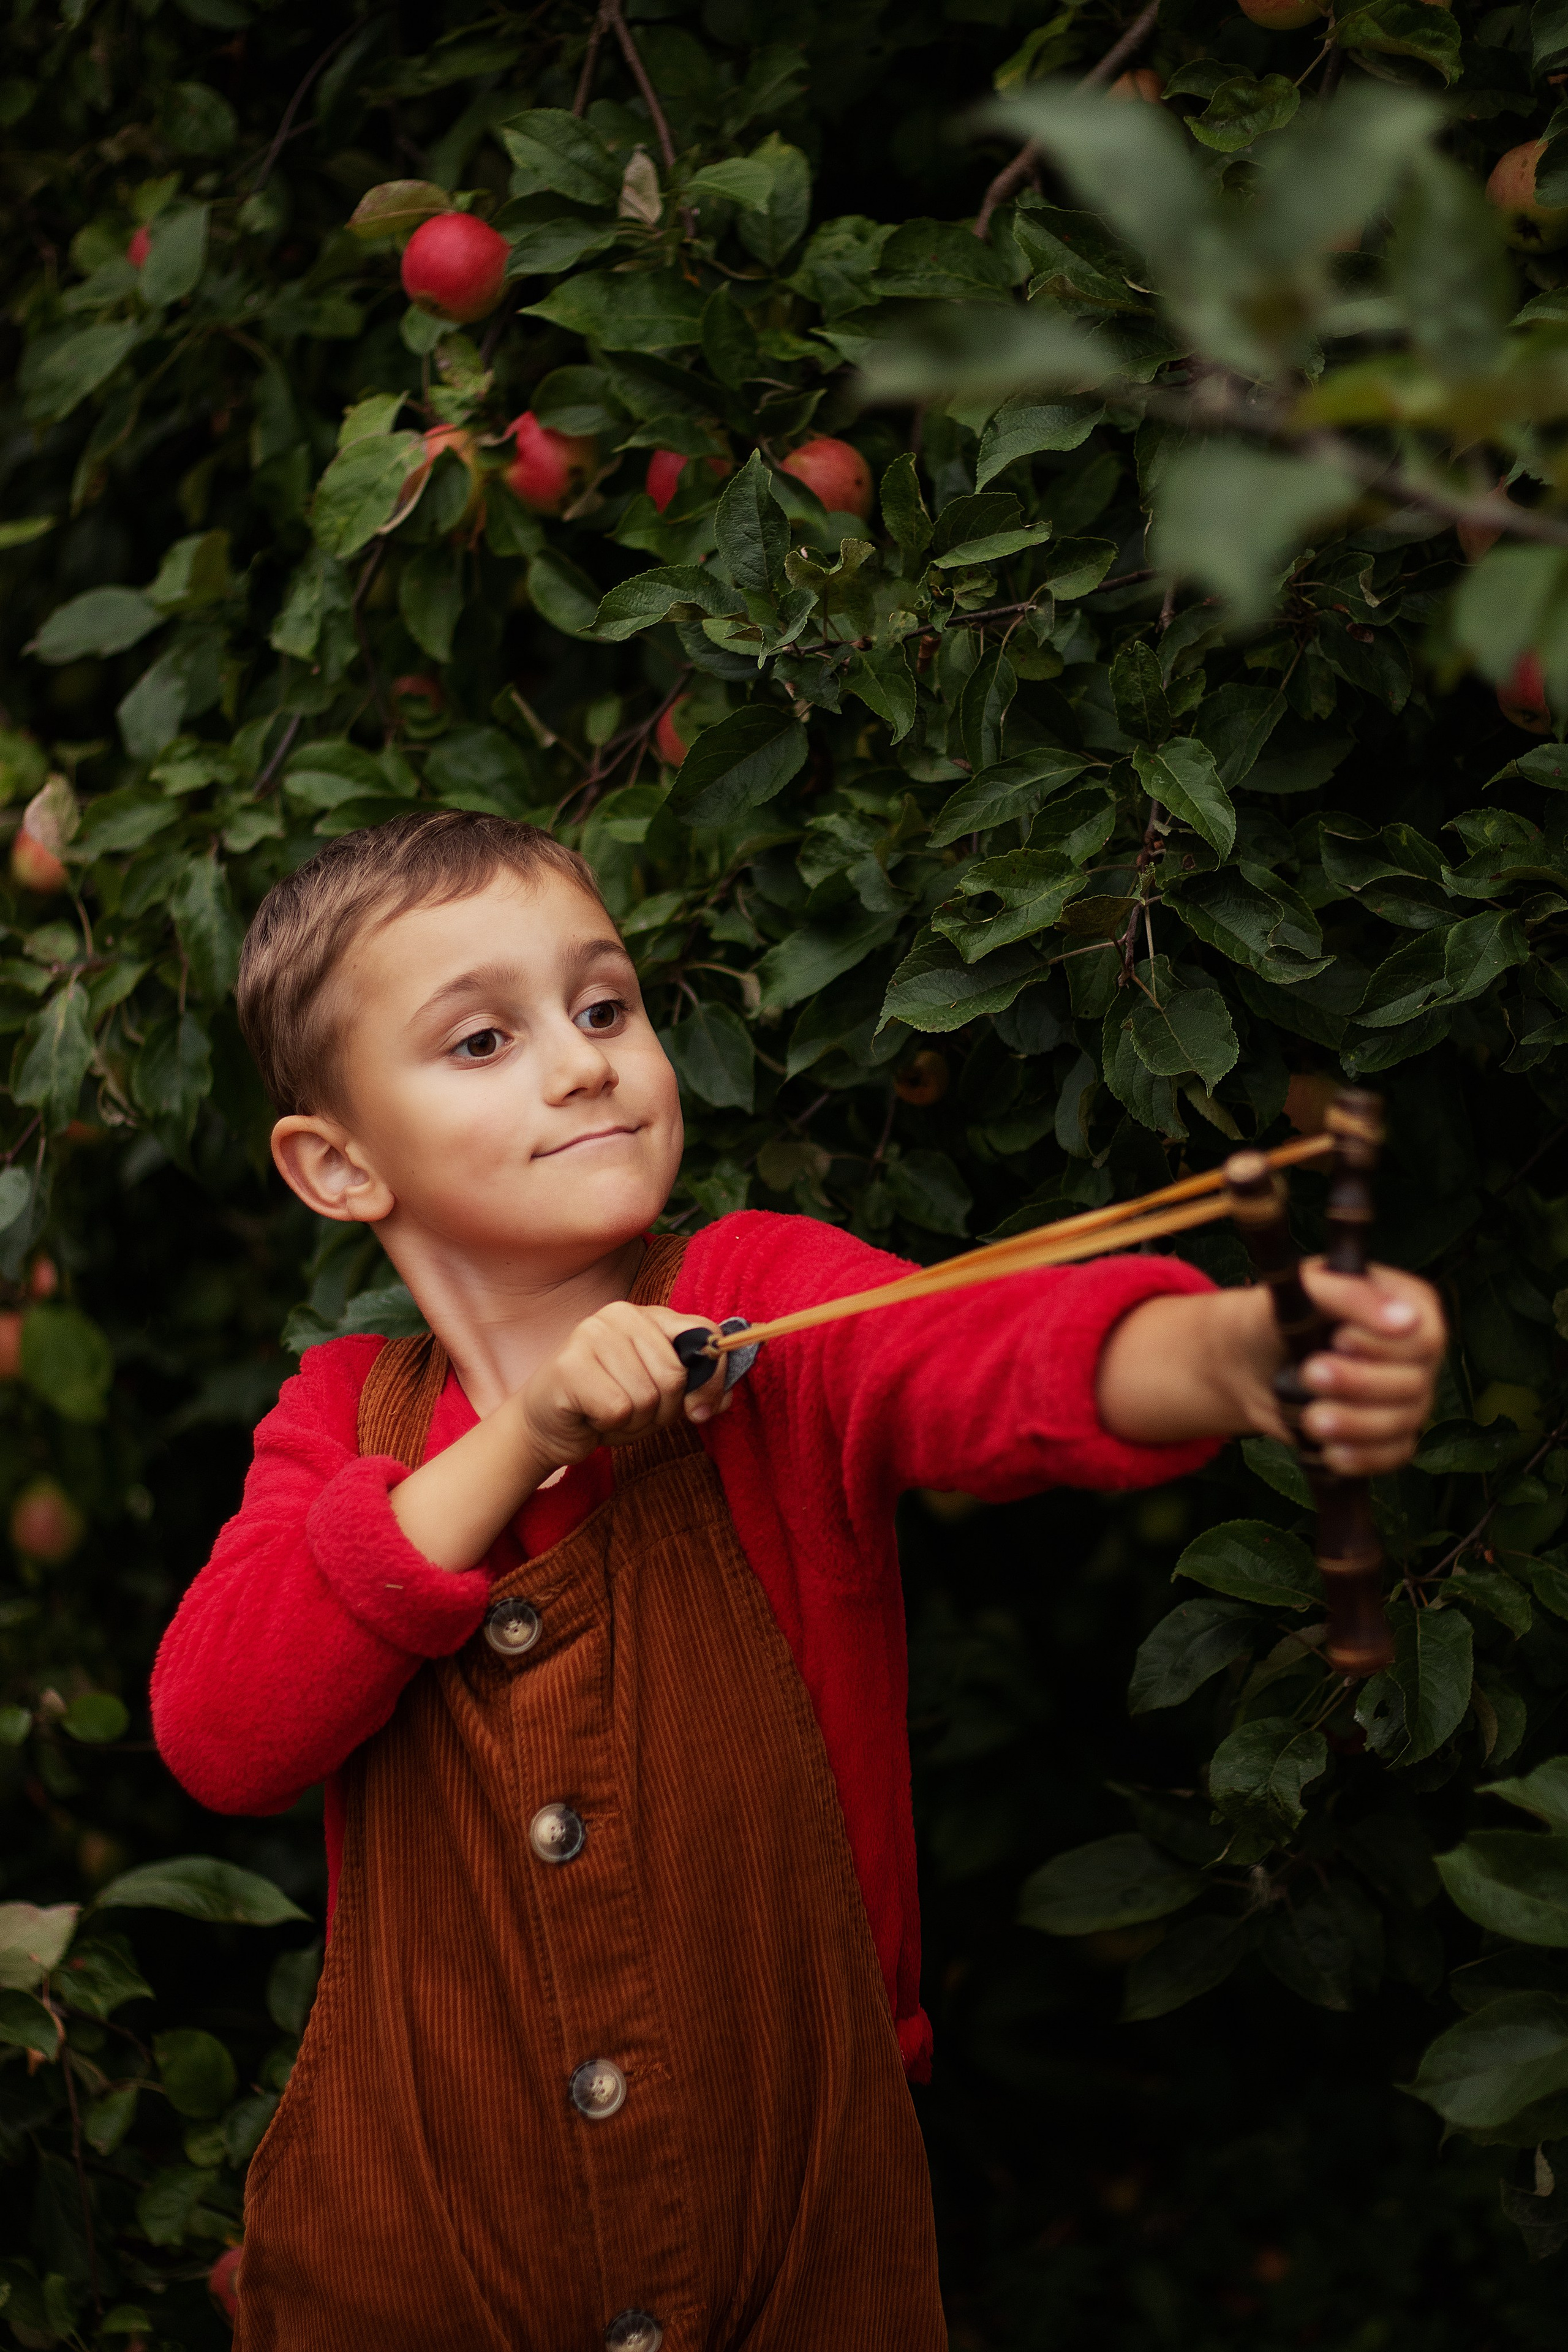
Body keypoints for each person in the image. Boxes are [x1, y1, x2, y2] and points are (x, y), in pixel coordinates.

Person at [151, 812, 1445, 2352]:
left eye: (605, 1007)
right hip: (422, 2255)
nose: (581, 1062)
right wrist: (526, 1435)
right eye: (484, 1038)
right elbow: (222, 1732)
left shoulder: (758, 1298)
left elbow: (976, 1354)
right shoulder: (336, 1417)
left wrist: (1237, 1353)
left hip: (792, 2225)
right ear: (338, 1163)